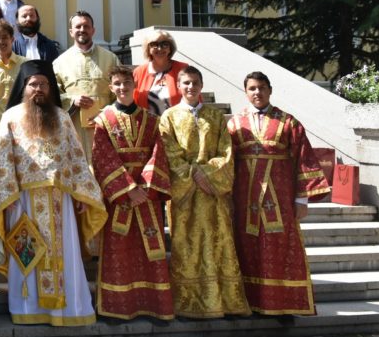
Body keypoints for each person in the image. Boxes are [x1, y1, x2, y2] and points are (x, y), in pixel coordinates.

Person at [0, 60, 106, 326]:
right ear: (24, 87)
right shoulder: (10, 118)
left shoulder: (63, 117)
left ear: (50, 87)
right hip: (23, 201)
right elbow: (4, 159)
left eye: (43, 84)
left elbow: (77, 157)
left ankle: (67, 310)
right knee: (27, 253)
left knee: (63, 254)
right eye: (33, 84)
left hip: (60, 200)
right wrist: (7, 197)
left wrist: (82, 195)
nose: (38, 89)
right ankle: (28, 308)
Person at [228, 71, 330, 316]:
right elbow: (227, 162)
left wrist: (301, 199)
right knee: (247, 248)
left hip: (280, 201)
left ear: (270, 90)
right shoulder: (234, 123)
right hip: (245, 201)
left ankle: (282, 306)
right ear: (245, 92)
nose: (257, 92)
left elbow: (303, 160)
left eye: (262, 87)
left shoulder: (288, 122)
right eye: (252, 88)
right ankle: (251, 304)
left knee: (280, 249)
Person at [159, 66, 250, 319]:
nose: (191, 87)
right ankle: (188, 303)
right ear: (178, 85)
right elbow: (168, 153)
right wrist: (192, 174)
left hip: (212, 194)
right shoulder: (168, 117)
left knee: (217, 242)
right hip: (185, 195)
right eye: (186, 83)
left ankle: (223, 302)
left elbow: (226, 152)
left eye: (195, 83)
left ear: (201, 85)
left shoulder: (216, 116)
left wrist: (206, 174)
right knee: (186, 245)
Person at [91, 66, 173, 322]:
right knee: (119, 250)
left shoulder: (151, 120)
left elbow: (159, 154)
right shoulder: (102, 121)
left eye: (126, 82)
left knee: (150, 252)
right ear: (110, 87)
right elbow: (102, 158)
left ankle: (154, 307)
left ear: (134, 85)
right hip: (119, 199)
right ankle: (118, 308)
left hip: (147, 196)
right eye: (117, 83)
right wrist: (128, 188)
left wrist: (145, 187)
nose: (122, 87)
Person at [52, 10, 120, 162]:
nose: (82, 30)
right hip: (74, 130)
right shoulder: (60, 62)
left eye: (86, 26)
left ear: (93, 30)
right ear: (71, 31)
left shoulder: (111, 58)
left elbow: (121, 94)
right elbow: (53, 95)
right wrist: (71, 100)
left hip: (106, 128)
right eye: (78, 27)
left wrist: (106, 113)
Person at [133, 29, 188, 115]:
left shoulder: (183, 69)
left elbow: (195, 98)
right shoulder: (139, 72)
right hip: (147, 125)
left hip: (177, 124)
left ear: (170, 48)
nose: (159, 48)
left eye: (165, 44)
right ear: (148, 49)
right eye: (154, 44)